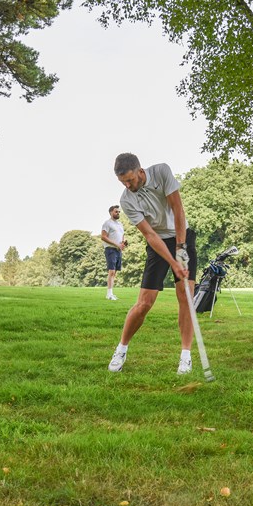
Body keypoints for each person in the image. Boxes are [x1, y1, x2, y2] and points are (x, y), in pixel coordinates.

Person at [107, 153, 198, 374]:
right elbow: (149, 235)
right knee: (144, 303)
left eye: (130, 180)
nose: (128, 186)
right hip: (157, 243)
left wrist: (181, 249)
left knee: (185, 297)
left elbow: (178, 209)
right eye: (123, 182)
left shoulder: (162, 172)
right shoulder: (127, 200)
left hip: (181, 236)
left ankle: (185, 357)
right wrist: (172, 261)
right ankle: (121, 349)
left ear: (140, 171)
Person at [100, 205, 126, 300]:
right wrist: (116, 244)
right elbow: (103, 237)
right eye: (116, 211)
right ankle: (109, 295)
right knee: (111, 271)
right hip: (110, 249)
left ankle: (111, 293)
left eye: (119, 212)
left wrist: (123, 243)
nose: (118, 213)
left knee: (114, 272)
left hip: (118, 250)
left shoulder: (120, 224)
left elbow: (122, 236)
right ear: (111, 212)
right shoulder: (107, 223)